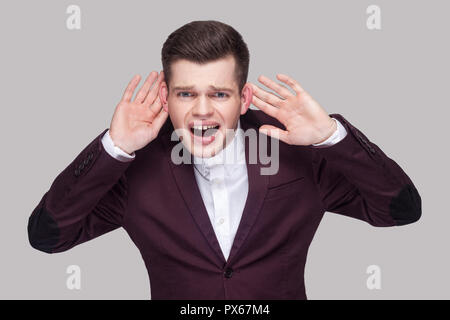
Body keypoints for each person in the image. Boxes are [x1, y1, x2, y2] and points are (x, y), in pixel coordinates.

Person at [28, 20, 421, 299]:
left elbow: (400, 209)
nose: (202, 111)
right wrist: (114, 147)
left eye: (218, 94)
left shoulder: (297, 154)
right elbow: (48, 236)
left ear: (243, 99)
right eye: (186, 94)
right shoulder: (136, 168)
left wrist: (331, 137)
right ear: (166, 98)